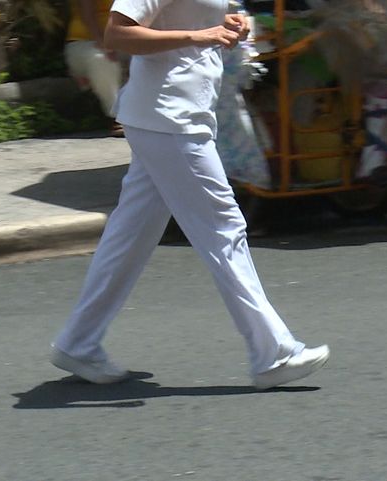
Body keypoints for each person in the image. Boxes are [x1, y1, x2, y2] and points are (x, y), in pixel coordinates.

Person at [49, 0, 330, 389]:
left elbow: (207, 19)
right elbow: (118, 32)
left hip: (176, 115)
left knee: (129, 237)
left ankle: (78, 342)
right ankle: (274, 352)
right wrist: (201, 35)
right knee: (223, 227)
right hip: (170, 118)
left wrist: (231, 25)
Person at [64, 0, 125, 136]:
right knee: (101, 59)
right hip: (86, 43)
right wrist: (103, 43)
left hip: (123, 41)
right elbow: (87, 14)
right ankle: (117, 116)